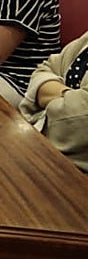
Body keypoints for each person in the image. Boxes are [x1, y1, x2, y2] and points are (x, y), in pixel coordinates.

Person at [20, 30, 88, 172]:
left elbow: (81, 116)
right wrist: (68, 97)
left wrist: (47, 93)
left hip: (73, 170)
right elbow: (45, 69)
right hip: (42, 145)